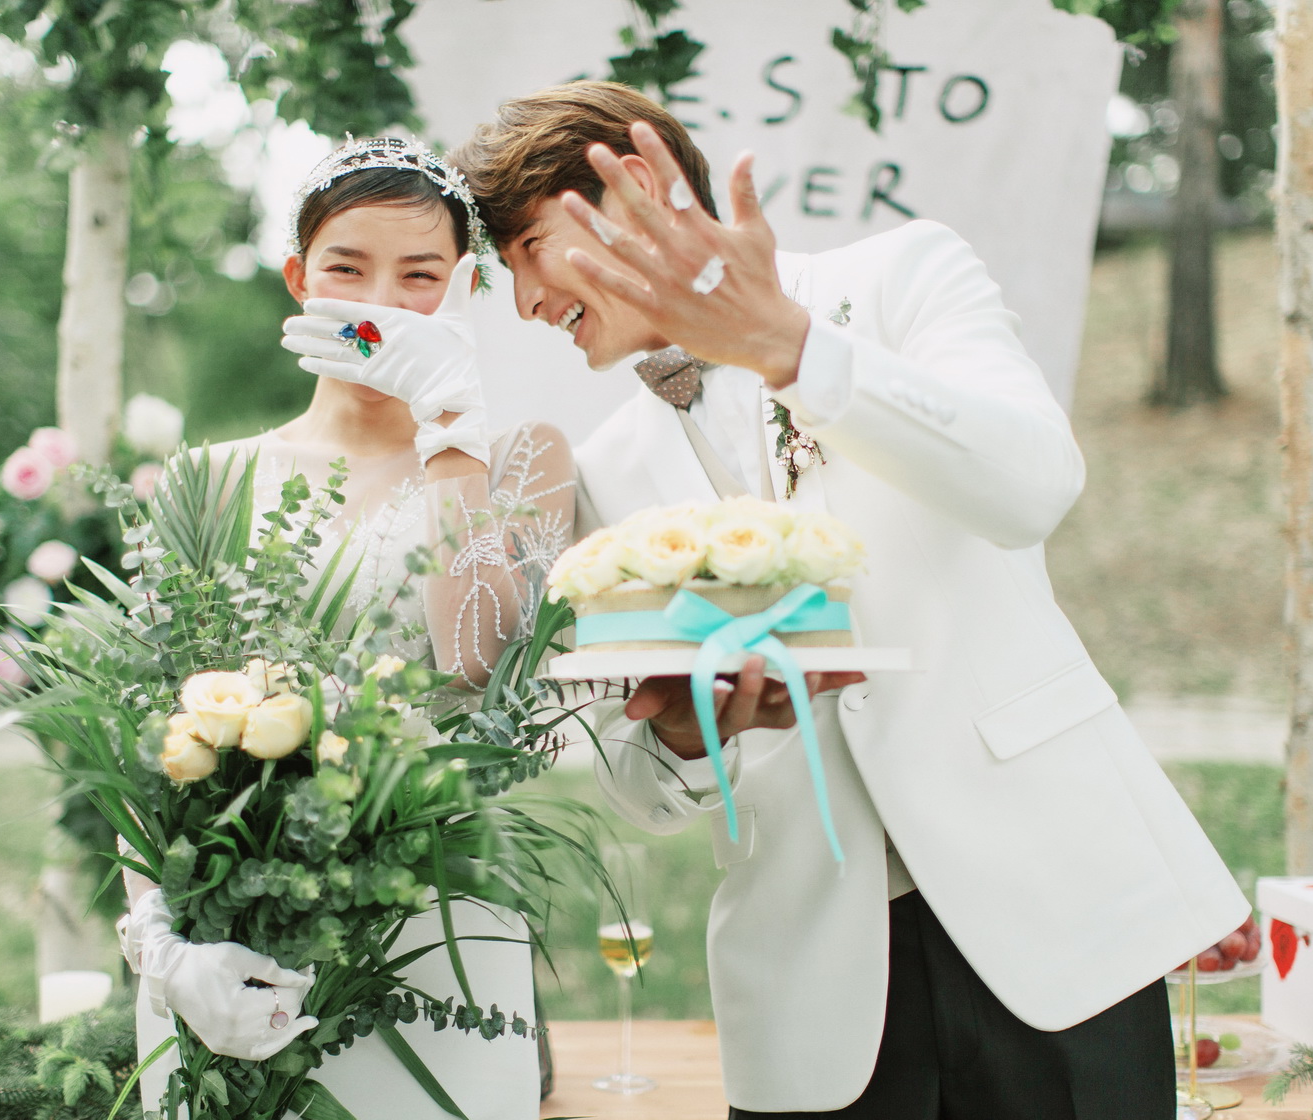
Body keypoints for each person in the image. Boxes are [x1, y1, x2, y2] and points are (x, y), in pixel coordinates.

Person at [453, 81, 1249, 1120]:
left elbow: (1033, 486)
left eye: (527, 250)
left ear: (635, 185)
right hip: (810, 995)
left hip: (1056, 919)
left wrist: (795, 353)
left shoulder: (903, 278)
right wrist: (689, 738)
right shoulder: (601, 472)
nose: (524, 303)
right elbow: (635, 784)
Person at [116, 136, 575, 1118]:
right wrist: (161, 941)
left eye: (421, 277)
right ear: (298, 279)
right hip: (233, 934)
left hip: (438, 930)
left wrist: (451, 427)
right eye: (347, 269)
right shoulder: (208, 480)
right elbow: (145, 736)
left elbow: (479, 661)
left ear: (465, 289)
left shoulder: (526, 461)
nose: (381, 307)